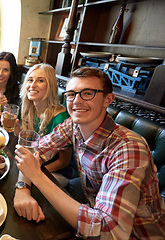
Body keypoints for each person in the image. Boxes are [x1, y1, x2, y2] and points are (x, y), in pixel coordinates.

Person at [15, 67, 165, 238]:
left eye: (87, 93)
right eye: (71, 94)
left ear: (108, 99)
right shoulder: (73, 125)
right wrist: (22, 189)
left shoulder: (128, 147)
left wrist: (37, 176)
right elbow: (36, 150)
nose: (76, 101)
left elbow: (107, 231)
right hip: (93, 210)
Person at [12, 63, 73, 221]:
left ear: (51, 86)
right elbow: (26, 142)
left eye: (40, 81)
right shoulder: (29, 107)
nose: (32, 85)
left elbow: (64, 162)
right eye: (30, 80)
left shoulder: (61, 118)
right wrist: (15, 127)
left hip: (56, 172)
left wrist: (35, 172)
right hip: (35, 164)